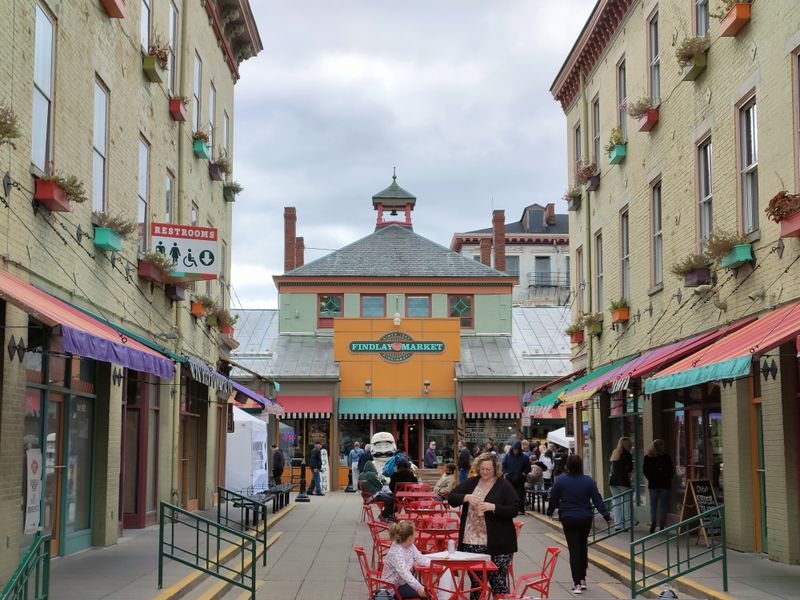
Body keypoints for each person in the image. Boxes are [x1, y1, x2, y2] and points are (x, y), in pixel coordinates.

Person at [448, 452, 518, 598]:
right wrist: (467, 497)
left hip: (497, 543)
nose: (485, 472)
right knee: (477, 584)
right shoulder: (472, 482)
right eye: (482, 469)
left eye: (488, 470)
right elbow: (452, 498)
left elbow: (514, 509)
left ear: (495, 469)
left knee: (498, 583)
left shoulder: (504, 485)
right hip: (471, 541)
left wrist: (493, 507)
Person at [547, 454, 611, 595]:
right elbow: (597, 499)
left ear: (567, 466)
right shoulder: (588, 481)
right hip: (585, 517)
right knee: (583, 547)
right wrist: (606, 515)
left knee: (574, 549)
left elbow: (554, 498)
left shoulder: (561, 480)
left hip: (568, 517)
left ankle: (576, 582)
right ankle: (582, 579)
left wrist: (550, 511)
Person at [380, 520, 431, 598]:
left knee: (428, 591)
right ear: (410, 537)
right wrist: (418, 587)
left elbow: (421, 559)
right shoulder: (396, 552)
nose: (415, 535)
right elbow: (405, 573)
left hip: (402, 583)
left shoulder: (410, 546)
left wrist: (437, 563)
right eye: (414, 534)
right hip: (392, 589)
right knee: (427, 594)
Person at [642, 439, 674, 533]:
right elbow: (670, 470)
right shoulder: (665, 457)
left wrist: (651, 478)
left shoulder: (648, 457)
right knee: (663, 506)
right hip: (664, 484)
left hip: (653, 485)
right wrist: (667, 478)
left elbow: (645, 471)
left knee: (653, 505)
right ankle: (662, 525)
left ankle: (653, 523)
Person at [609, 437, 633, 529]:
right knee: (626, 502)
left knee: (616, 502)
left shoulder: (615, 453)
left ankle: (618, 525)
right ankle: (628, 523)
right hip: (623, 481)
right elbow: (629, 470)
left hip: (613, 481)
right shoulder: (628, 455)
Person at [502, 441, 531, 515]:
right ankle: (510, 508)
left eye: (517, 449)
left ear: (519, 449)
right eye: (514, 449)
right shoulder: (508, 456)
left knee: (520, 495)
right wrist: (506, 473)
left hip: (520, 479)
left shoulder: (524, 457)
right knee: (509, 495)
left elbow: (528, 467)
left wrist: (524, 474)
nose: (515, 451)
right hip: (510, 478)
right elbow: (503, 465)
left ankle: (521, 509)